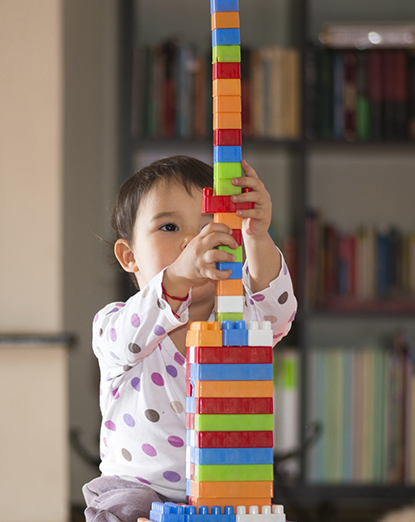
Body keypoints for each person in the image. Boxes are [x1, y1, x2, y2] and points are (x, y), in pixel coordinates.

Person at [83, 156, 297, 522]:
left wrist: (257, 235)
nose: (193, 242)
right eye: (169, 227)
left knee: (259, 505)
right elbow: (129, 337)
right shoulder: (116, 323)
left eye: (209, 226)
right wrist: (176, 278)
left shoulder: (238, 319)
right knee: (126, 509)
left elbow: (278, 314)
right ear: (129, 256)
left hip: (221, 494)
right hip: (135, 491)